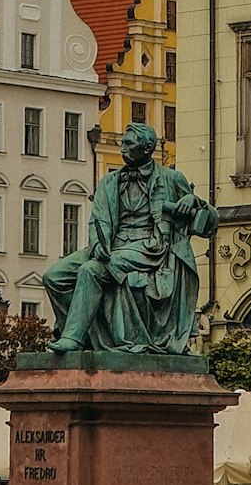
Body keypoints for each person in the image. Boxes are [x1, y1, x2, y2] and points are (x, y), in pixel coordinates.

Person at [43, 120, 218, 354]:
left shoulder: (171, 178)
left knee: (90, 271)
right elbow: (98, 221)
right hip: (113, 245)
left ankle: (73, 338)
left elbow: (210, 223)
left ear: (146, 148)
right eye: (122, 143)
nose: (122, 148)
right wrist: (98, 246)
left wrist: (195, 201)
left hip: (150, 248)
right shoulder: (109, 181)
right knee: (53, 276)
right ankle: (85, 332)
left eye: (128, 143)